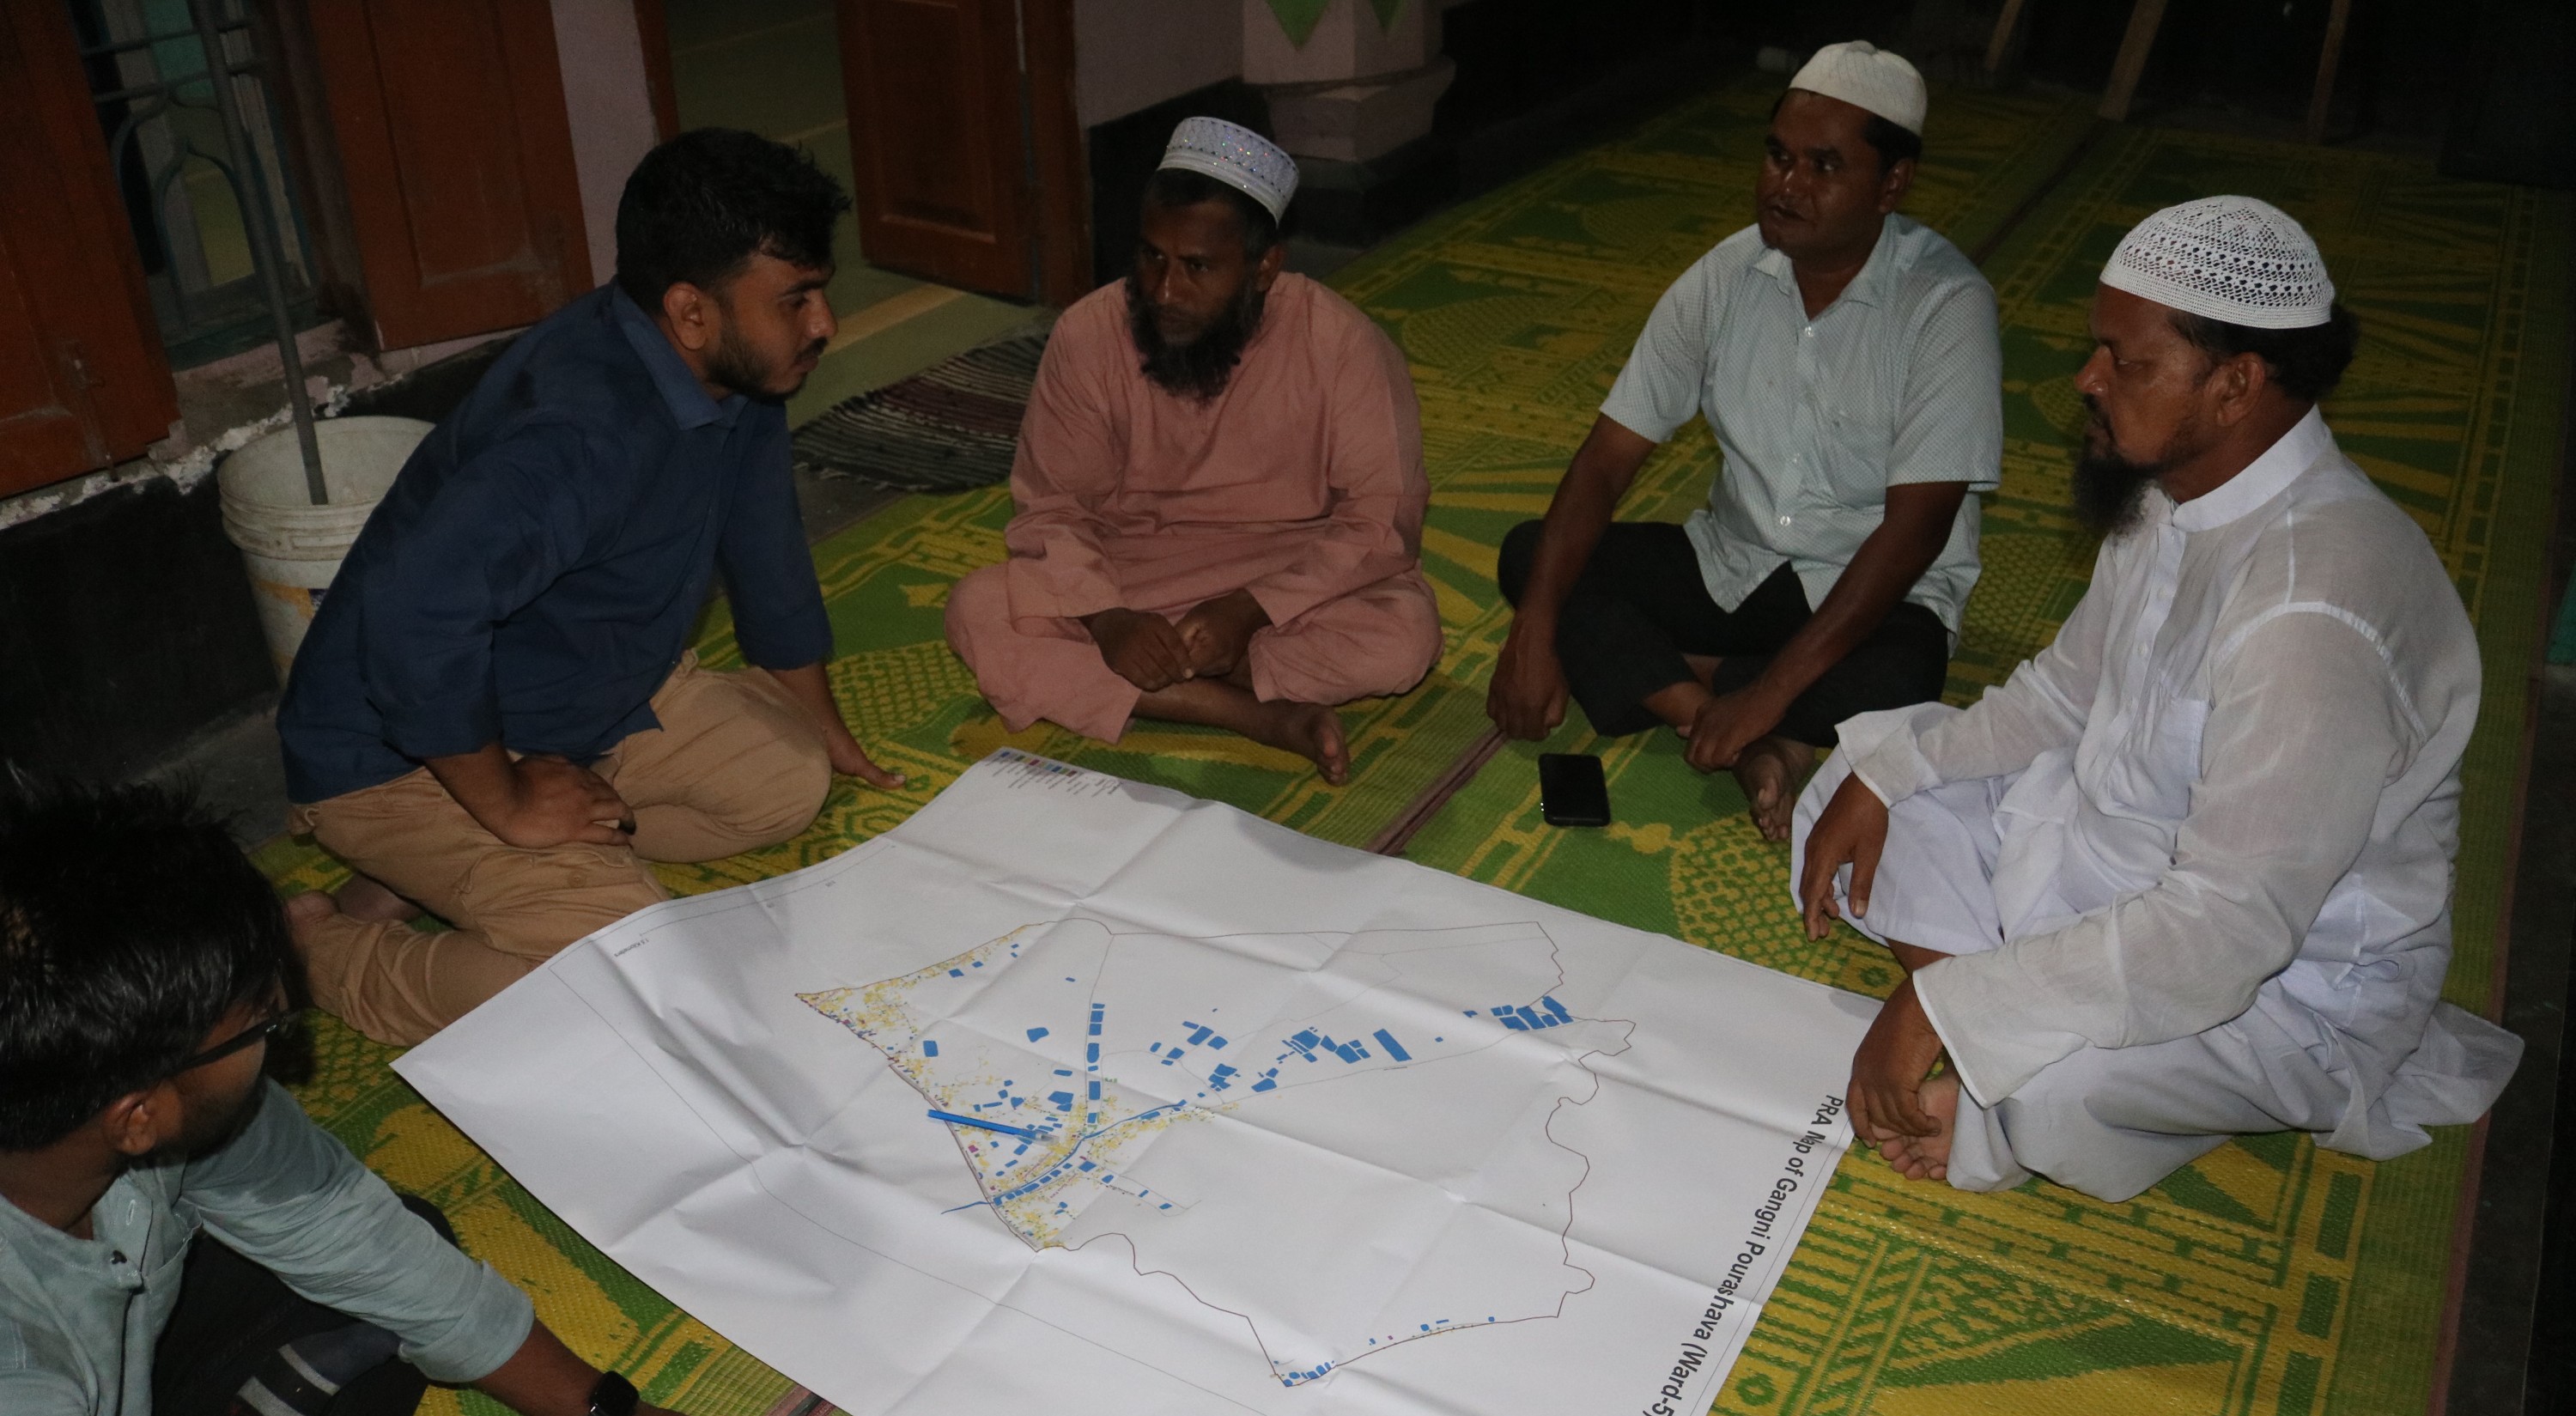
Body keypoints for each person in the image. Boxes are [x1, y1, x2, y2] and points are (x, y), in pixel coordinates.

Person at [0, 772, 824, 1416]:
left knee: (387, 1272)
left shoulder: (102, 1113)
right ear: (136, 1114)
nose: (280, 1035)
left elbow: (341, 1224)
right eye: (261, 1025)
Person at [1793, 196, 2523, 1200]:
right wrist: (1891, 778)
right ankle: (1997, 1020)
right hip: (2108, 858)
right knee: (1858, 778)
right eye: (2098, 349)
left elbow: (2227, 931)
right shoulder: (2168, 487)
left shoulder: (2311, 609)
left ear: (2235, 384)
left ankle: (2002, 1048)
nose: (2086, 380)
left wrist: (1938, 1005)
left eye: (2126, 363)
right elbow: (2065, 693)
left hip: (2275, 977)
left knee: (2057, 1094)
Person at [276, 129, 904, 1048]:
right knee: (625, 973)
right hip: (392, 749)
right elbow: (412, 615)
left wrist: (824, 723)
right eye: (796, 299)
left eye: (821, 292)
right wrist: (508, 801)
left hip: (579, 698)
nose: (825, 324)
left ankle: (448, 859)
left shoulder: (732, 370)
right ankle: (323, 950)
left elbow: (763, 543)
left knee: (788, 782)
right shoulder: (581, 434)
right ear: (691, 311)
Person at [1486, 41, 2002, 841]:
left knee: (1906, 675)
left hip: (1868, 593)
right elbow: (1606, 462)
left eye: (1824, 166)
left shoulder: (1945, 305)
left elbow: (1914, 534)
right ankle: (1730, 723)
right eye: (1777, 156)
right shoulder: (1724, 276)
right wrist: (1533, 630)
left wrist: (1766, 693)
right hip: (1733, 563)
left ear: (1892, 184)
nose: (1785, 185)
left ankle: (1702, 691)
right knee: (1533, 556)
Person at [943, 118, 1443, 785]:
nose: (1164, 292)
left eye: (1197, 267)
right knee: (978, 608)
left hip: (1288, 573)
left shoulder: (1343, 345)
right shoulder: (1089, 336)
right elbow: (1053, 508)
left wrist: (1251, 610)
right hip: (1132, 574)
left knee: (1405, 636)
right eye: (1152, 257)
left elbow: (1383, 519)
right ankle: (1252, 714)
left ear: (1264, 268)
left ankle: (1158, 681)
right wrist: (1107, 619)